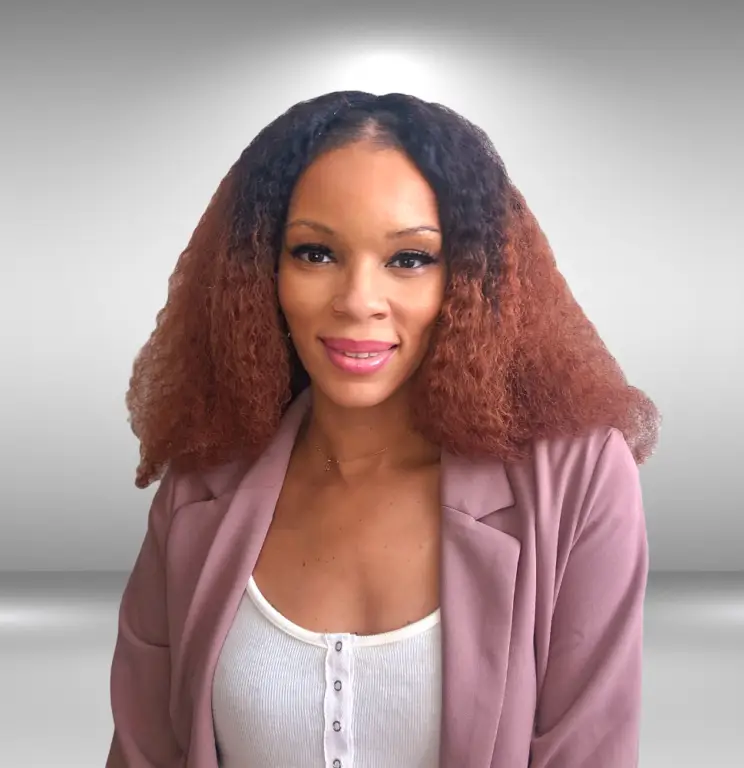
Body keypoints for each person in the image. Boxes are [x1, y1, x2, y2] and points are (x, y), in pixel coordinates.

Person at [106, 90, 660, 768]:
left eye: (409, 259)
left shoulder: (577, 482)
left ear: (470, 279)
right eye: (315, 253)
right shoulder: (198, 491)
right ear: (262, 271)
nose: (357, 300)